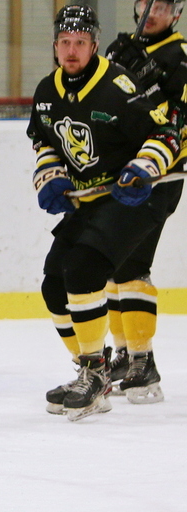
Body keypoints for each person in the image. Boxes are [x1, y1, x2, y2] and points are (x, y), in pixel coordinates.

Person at [27, 5, 181, 421]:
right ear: (55, 46)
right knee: (54, 285)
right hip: (94, 197)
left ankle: (98, 375)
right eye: (64, 42)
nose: (71, 50)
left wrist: (144, 165)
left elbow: (165, 131)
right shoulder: (46, 91)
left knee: (85, 268)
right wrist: (51, 176)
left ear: (94, 45)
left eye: (80, 42)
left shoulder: (118, 87)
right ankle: (89, 370)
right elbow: (44, 142)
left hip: (138, 194)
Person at [101, 0, 187, 403]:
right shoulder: (120, 50)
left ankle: (143, 363)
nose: (152, 11)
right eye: (146, 2)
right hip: (119, 171)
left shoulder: (180, 57)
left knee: (133, 263)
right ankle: (124, 355)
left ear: (177, 14)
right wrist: (112, 72)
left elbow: (176, 120)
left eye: (164, 5)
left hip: (160, 173)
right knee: (112, 264)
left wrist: (148, 84)